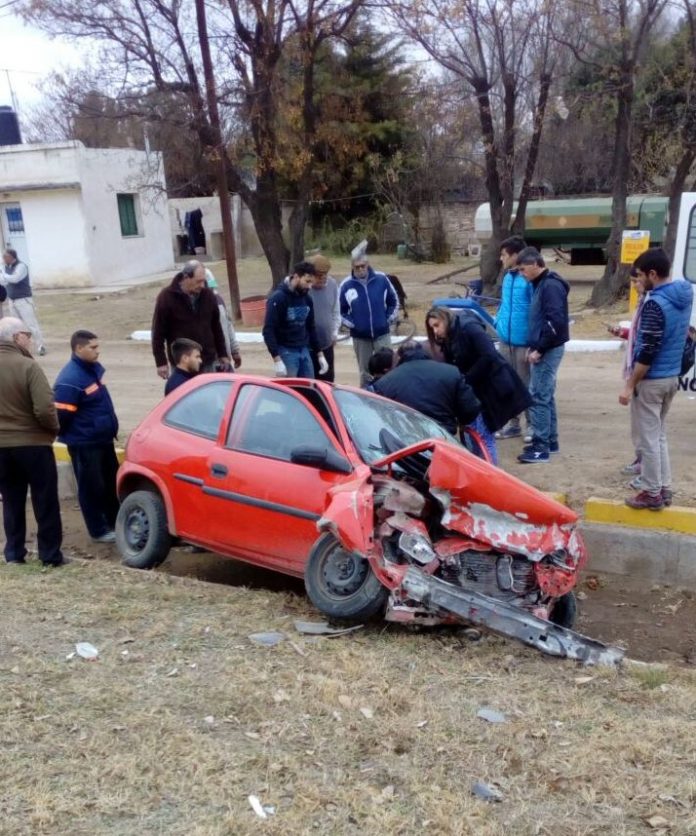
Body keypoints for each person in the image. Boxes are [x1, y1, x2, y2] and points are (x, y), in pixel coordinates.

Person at [619, 248, 693, 510]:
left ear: (652, 274)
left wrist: (629, 385)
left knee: (648, 439)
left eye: (639, 276)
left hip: (651, 380)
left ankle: (651, 491)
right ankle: (664, 487)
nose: (638, 282)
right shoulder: (683, 296)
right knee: (658, 435)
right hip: (671, 376)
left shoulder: (654, 304)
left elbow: (647, 351)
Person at [426, 307, 532, 465]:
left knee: (483, 436)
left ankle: (491, 475)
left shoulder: (469, 328)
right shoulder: (452, 335)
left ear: (445, 319)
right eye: (432, 327)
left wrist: (466, 379)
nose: (435, 331)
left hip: (490, 388)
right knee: (477, 435)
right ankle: (484, 471)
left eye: (436, 325)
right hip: (476, 389)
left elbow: (488, 355)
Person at [0, 317, 66, 566]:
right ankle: (50, 555)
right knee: (45, 499)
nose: (30, 339)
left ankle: (14, 553)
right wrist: (53, 429)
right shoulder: (28, 366)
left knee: (11, 499)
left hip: (2, 448)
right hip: (33, 444)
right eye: (27, 334)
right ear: (17, 338)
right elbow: (44, 409)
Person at [54, 330, 121, 543]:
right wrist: (77, 435)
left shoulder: (91, 371)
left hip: (102, 439)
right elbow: (61, 415)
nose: (97, 351)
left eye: (97, 346)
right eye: (93, 347)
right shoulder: (70, 379)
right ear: (78, 348)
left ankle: (114, 522)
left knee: (110, 483)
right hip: (85, 443)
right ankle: (98, 530)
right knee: (91, 487)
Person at [515, 247, 570, 464]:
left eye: (523, 269)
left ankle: (541, 447)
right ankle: (550, 440)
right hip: (546, 346)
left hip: (549, 348)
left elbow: (554, 322)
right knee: (546, 394)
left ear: (536, 264)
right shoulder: (542, 284)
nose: (521, 273)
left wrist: (540, 348)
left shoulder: (550, 286)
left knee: (538, 395)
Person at [373, 341, 480, 436]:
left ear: (399, 357)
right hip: (443, 438)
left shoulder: (385, 382)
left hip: (405, 442)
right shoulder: (451, 372)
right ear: (423, 351)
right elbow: (470, 409)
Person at [151, 260, 231, 379]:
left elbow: (216, 327)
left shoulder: (208, 296)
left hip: (207, 362)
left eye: (203, 281)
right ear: (186, 277)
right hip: (183, 365)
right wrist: (161, 362)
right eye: (198, 281)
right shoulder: (166, 297)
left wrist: (223, 354)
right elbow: (158, 333)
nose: (202, 285)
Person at [494, 236, 533, 441]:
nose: (501, 259)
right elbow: (504, 304)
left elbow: (535, 309)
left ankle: (532, 425)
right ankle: (513, 423)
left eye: (504, 255)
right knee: (507, 383)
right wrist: (498, 322)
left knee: (526, 385)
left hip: (523, 341)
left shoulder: (528, 279)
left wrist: (533, 341)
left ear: (515, 256)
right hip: (505, 339)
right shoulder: (508, 277)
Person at [339, 254, 399, 387]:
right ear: (352, 267)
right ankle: (366, 398)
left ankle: (390, 395)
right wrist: (353, 324)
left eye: (363, 266)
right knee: (365, 372)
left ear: (368, 265)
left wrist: (387, 319)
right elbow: (340, 310)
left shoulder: (381, 279)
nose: (360, 269)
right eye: (357, 267)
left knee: (388, 367)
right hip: (360, 337)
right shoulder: (346, 285)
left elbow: (393, 301)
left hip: (382, 333)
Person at [262, 261, 328, 378]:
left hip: (304, 349)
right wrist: (276, 358)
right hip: (286, 351)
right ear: (296, 277)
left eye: (311, 283)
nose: (309, 286)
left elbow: (311, 327)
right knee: (290, 391)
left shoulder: (307, 299)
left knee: (309, 387)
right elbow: (268, 330)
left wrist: (319, 354)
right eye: (307, 281)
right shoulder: (278, 298)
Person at [0, 249, 46, 356]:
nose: (3, 259)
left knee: (31, 324)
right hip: (12, 300)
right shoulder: (5, 268)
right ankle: (20, 348)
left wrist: (3, 275)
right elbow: (3, 281)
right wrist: (4, 276)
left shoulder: (21, 266)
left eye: (5, 257)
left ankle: (40, 346)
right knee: (15, 326)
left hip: (24, 300)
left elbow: (15, 279)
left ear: (12, 257)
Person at [308, 254, 340, 382]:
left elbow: (336, 311)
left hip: (327, 344)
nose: (322, 279)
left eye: (324, 276)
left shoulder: (332, 284)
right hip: (308, 346)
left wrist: (334, 332)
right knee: (311, 382)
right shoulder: (305, 288)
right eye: (319, 276)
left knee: (327, 381)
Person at [205, 269, 242, 369]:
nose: (212, 291)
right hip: (208, 363)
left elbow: (228, 325)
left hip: (225, 359)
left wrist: (234, 351)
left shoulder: (219, 300)